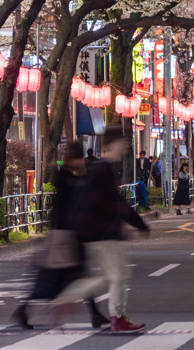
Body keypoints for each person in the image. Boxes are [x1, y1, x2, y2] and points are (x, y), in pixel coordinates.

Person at [52, 125, 149, 334]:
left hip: (92, 233)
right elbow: (116, 202)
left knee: (108, 277)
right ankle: (117, 318)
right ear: (114, 144)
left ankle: (67, 297)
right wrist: (138, 223)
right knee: (120, 276)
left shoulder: (97, 168)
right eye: (123, 144)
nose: (125, 148)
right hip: (105, 232)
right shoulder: (103, 170)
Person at [12, 143, 109, 330]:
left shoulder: (69, 178)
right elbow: (73, 203)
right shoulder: (66, 179)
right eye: (79, 159)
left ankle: (95, 314)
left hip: (67, 234)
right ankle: (24, 309)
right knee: (61, 276)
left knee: (75, 275)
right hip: (65, 235)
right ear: (74, 159)